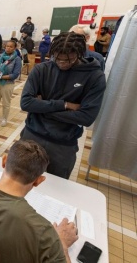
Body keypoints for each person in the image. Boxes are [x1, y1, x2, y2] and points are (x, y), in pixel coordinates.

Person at [20, 32, 106, 179]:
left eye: (69, 60)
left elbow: (86, 117)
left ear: (80, 54)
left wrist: (41, 107)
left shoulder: (95, 77)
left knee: (55, 191)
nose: (62, 63)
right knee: (20, 181)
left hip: (62, 146)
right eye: (57, 59)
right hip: (31, 136)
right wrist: (64, 105)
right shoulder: (41, 69)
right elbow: (26, 103)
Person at [0, 40, 22, 127]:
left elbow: (15, 75)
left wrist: (1, 77)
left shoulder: (17, 59)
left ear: (15, 48)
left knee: (6, 103)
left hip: (8, 84)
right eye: (7, 46)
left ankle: (4, 118)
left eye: (11, 46)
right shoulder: (0, 56)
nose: (8, 48)